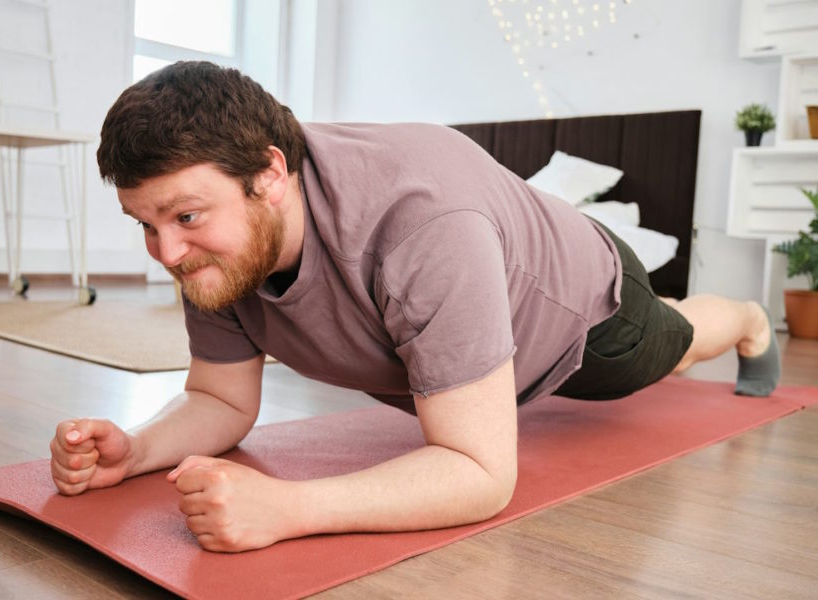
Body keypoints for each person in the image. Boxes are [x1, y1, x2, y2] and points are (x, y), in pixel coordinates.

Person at [49, 61, 780, 553]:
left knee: (678, 343)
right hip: (491, 272)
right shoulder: (217, 251)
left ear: (269, 174)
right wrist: (139, 450)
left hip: (588, 309)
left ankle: (743, 316)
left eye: (184, 218)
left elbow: (481, 473)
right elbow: (220, 398)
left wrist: (288, 509)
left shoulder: (422, 225)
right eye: (145, 224)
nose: (167, 254)